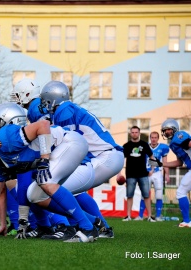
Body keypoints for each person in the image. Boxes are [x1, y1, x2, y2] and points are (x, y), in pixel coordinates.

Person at [0, 121, 98, 242]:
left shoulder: (5, 139)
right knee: (34, 196)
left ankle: (87, 228)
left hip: (69, 142)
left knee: (46, 182)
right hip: (59, 154)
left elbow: (43, 125)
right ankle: (92, 221)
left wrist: (44, 157)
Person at [34, 80, 124, 238]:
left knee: (53, 189)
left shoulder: (64, 111)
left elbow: (68, 143)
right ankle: (98, 225)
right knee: (63, 191)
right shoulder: (68, 109)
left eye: (45, 101)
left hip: (104, 157)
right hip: (107, 156)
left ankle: (78, 227)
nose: (43, 105)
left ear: (53, 99)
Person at [119, 126, 158, 222]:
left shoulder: (144, 144)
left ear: (139, 133)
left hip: (143, 174)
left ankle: (149, 216)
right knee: (129, 195)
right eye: (132, 132)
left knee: (146, 195)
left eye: (136, 132)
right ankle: (128, 216)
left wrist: (152, 170)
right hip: (130, 174)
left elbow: (151, 156)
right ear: (130, 133)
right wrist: (119, 173)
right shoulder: (126, 145)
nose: (134, 134)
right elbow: (121, 160)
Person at [160, 119, 191, 228]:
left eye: (168, 129)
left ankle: (187, 221)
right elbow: (179, 162)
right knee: (181, 191)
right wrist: (163, 164)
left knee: (181, 192)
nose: (166, 132)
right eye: (165, 130)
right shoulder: (173, 144)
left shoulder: (179, 136)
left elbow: (189, 144)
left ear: (174, 128)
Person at [136, 131, 170, 221]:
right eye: (152, 137)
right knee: (144, 195)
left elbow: (165, 162)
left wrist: (167, 174)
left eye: (155, 137)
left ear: (158, 138)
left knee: (159, 195)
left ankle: (158, 216)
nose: (154, 139)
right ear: (150, 138)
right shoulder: (144, 146)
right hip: (146, 173)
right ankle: (140, 216)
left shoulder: (163, 147)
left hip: (157, 173)